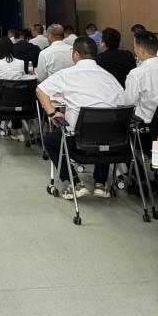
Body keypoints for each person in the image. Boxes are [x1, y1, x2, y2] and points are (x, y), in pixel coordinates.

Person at [37, 37, 125, 199]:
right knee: (103, 128)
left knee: (50, 142)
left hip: (78, 139)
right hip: (111, 140)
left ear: (76, 54)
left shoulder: (66, 74)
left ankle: (74, 183)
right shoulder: (109, 77)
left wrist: (52, 113)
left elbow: (40, 90)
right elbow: (123, 103)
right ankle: (100, 183)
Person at [123, 31, 158, 122]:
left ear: (141, 50)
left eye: (134, 46)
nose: (134, 50)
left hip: (145, 124)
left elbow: (128, 102)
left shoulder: (136, 74)